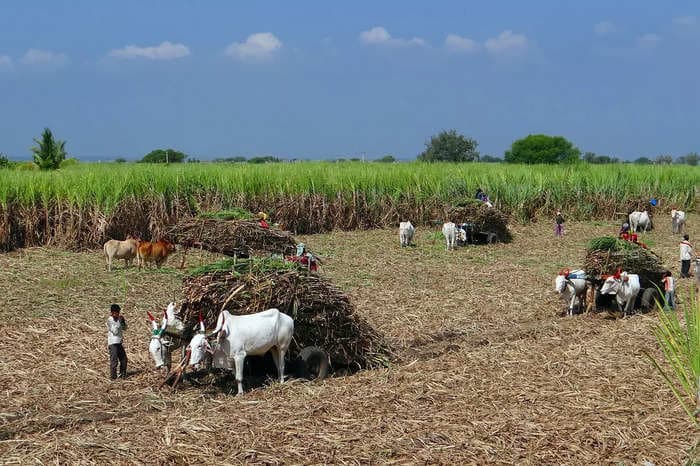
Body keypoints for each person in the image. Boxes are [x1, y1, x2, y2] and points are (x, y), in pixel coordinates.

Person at [106, 304, 128, 380]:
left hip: (119, 343)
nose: (117, 314)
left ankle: (122, 375)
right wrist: (119, 321)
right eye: (115, 313)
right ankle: (113, 377)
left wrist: (123, 322)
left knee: (124, 359)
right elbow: (115, 331)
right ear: (112, 313)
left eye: (118, 312)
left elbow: (125, 328)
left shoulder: (118, 319)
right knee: (114, 361)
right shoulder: (110, 320)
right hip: (113, 343)